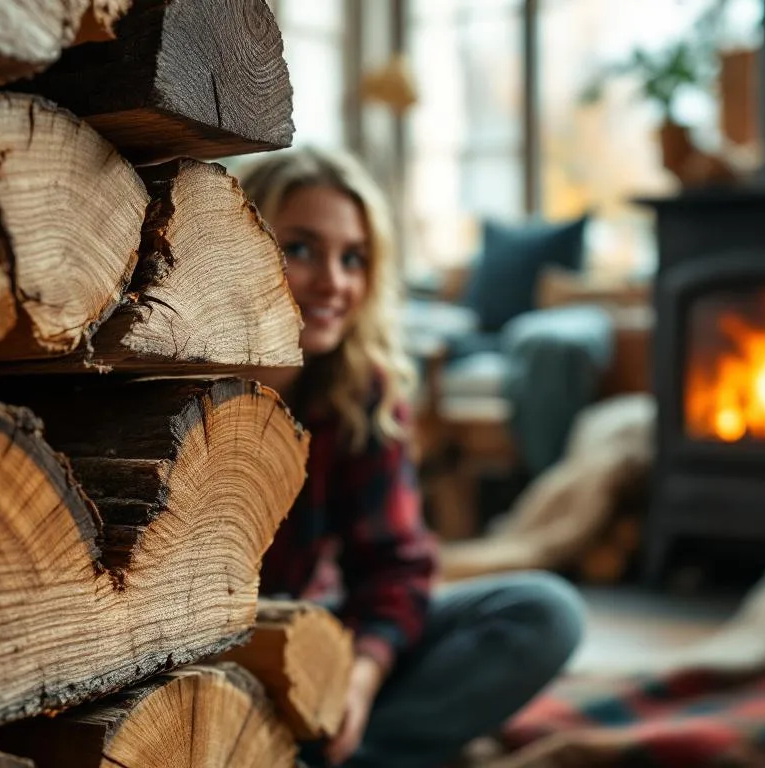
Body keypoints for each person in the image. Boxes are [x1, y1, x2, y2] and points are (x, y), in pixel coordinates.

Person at [237, 146, 585, 768]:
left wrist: (363, 677)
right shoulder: (172, 379)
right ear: (237, 241)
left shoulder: (359, 392)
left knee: (545, 613)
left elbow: (397, 567)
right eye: (300, 249)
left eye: (354, 259)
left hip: (307, 636)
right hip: (187, 654)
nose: (334, 283)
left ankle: (348, 754)